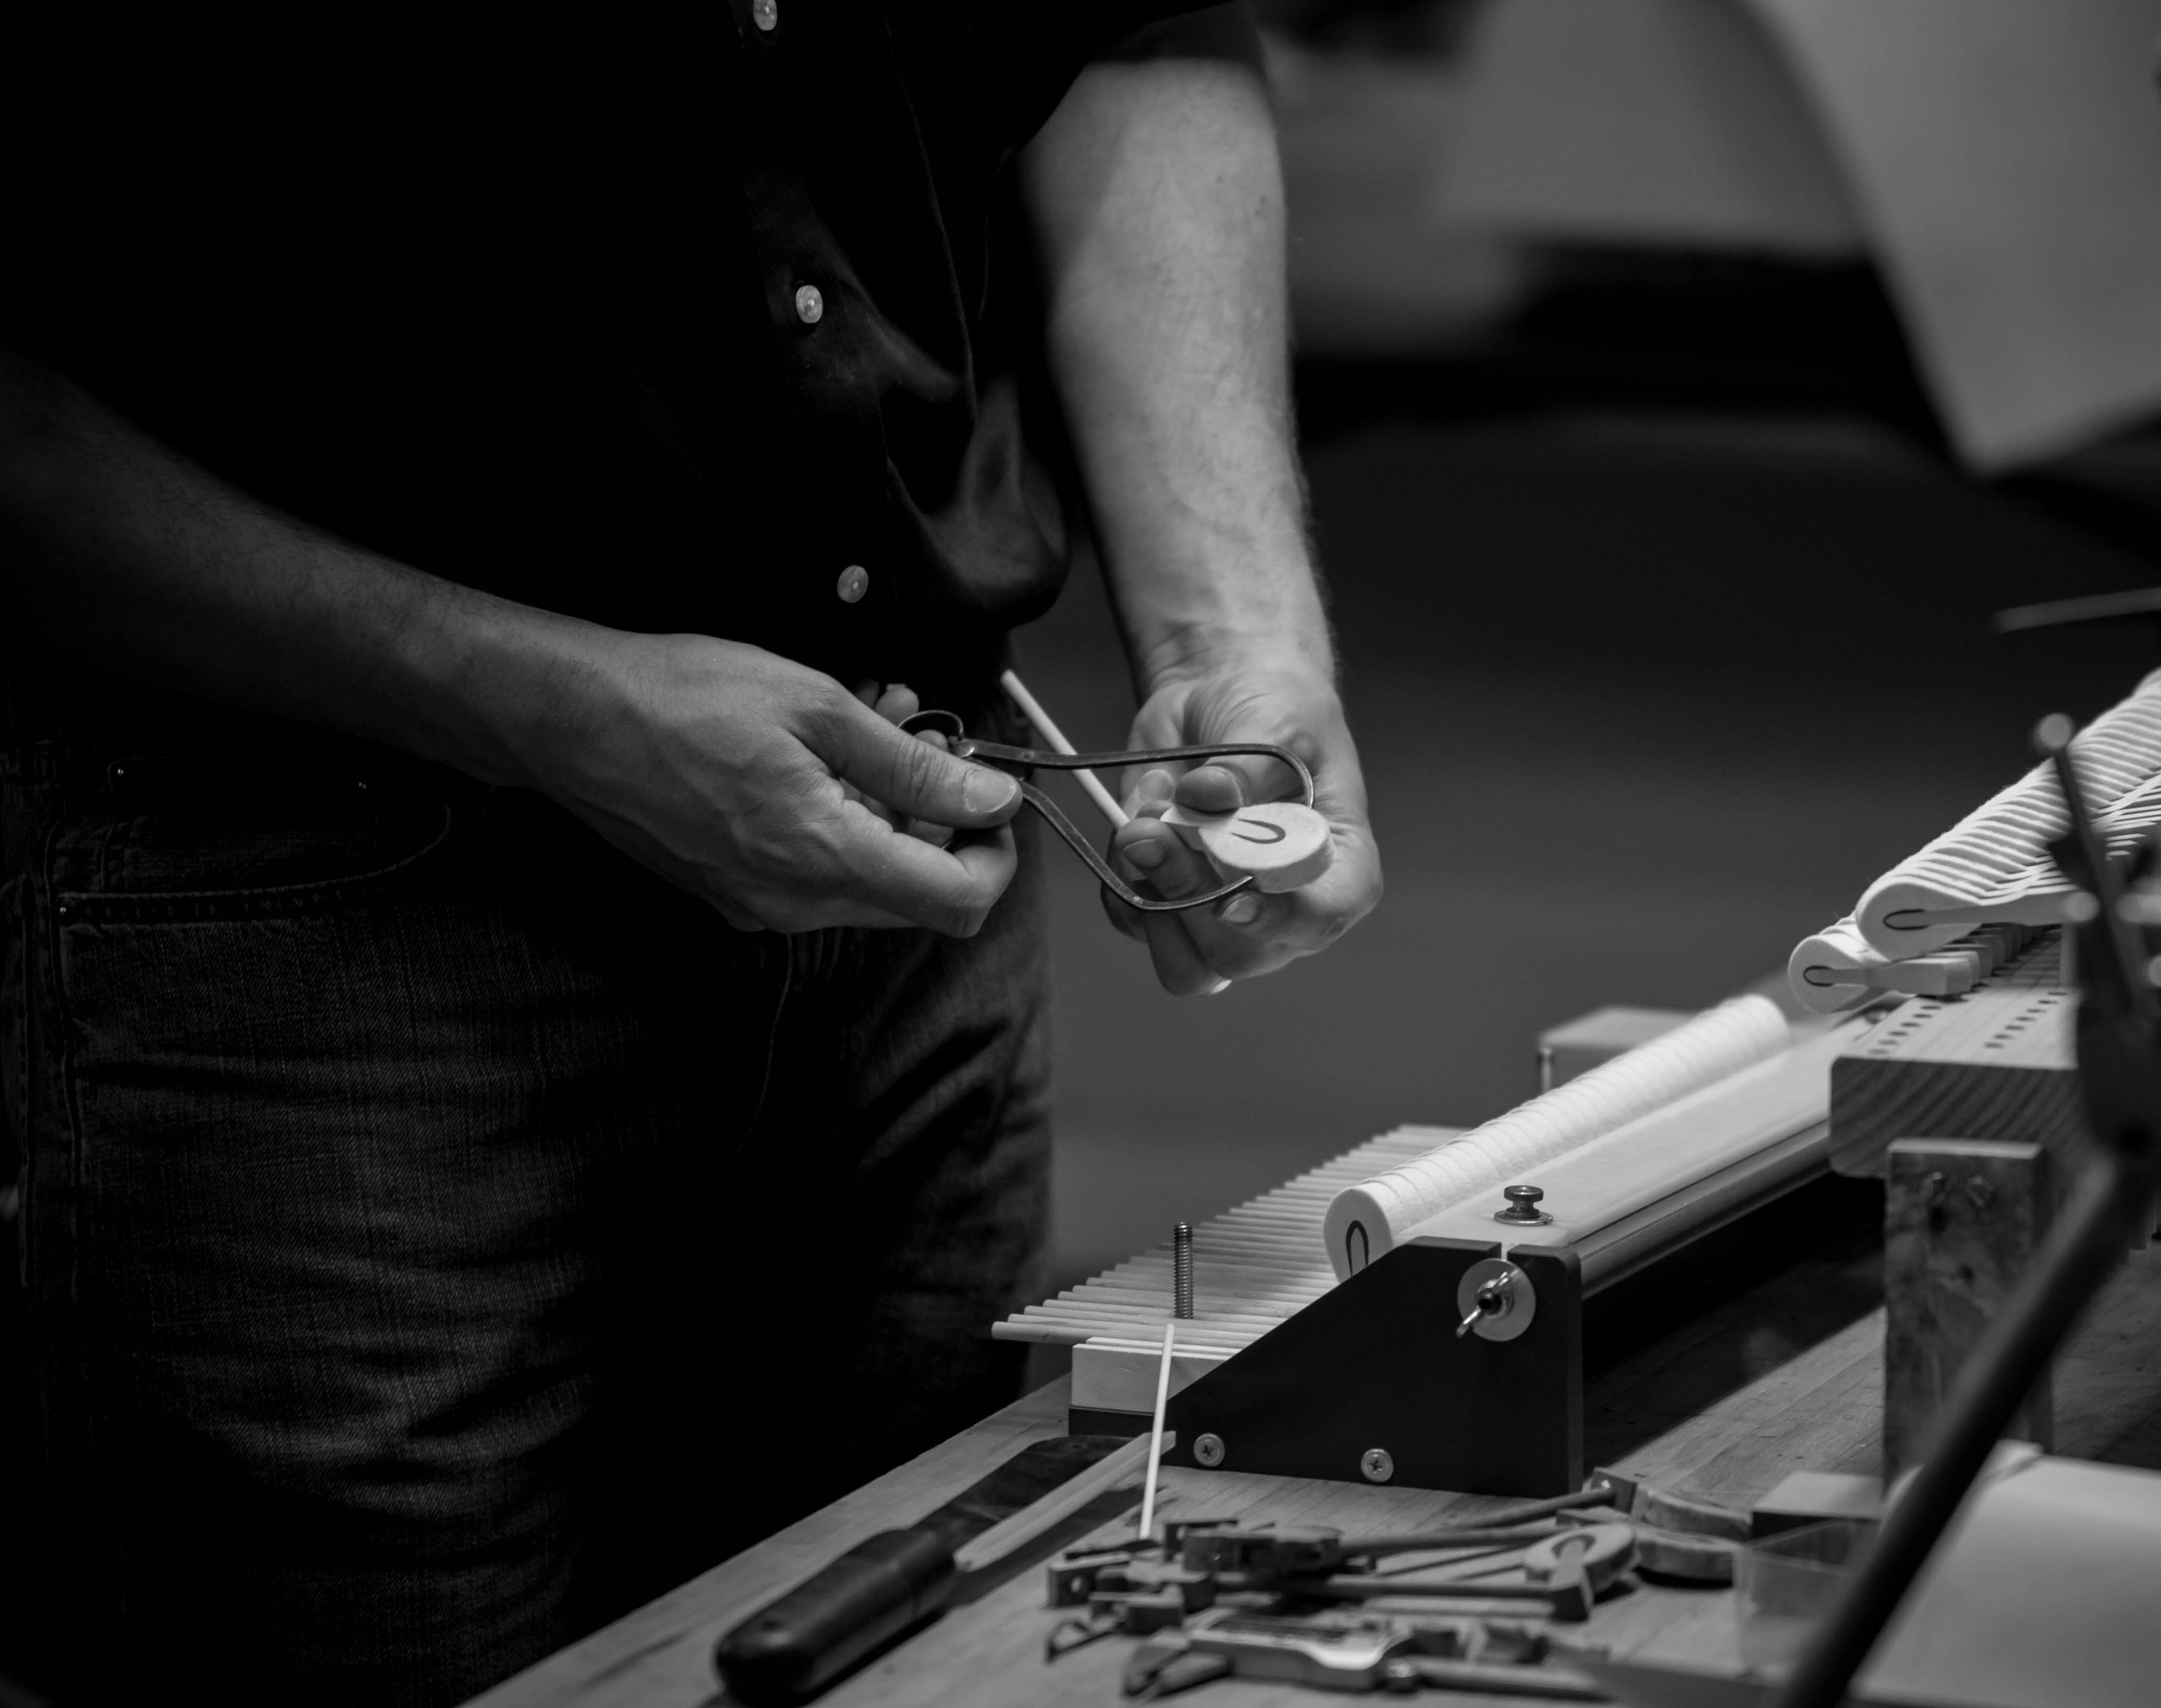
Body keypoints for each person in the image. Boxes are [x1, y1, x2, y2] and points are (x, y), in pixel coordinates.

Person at [0, 4, 1380, 1702]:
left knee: (896, 1658)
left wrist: (1232, 633)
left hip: (919, 912)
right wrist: (528, 697)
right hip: (319, 935)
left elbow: (1137, 34)